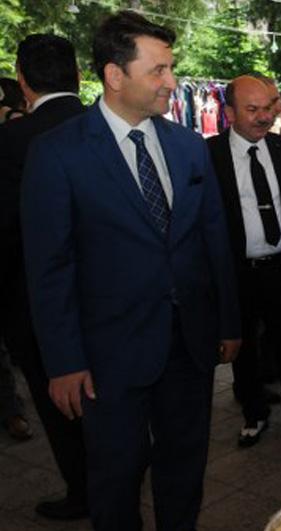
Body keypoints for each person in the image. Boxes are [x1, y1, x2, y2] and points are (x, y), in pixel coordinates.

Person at [20, 12, 241, 530]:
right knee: (115, 478)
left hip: (187, 346)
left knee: (184, 469)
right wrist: (63, 361)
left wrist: (228, 322)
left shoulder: (188, 146)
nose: (171, 82)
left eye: (171, 69)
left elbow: (213, 240)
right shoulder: (57, 153)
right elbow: (49, 266)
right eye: (158, 71)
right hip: (107, 356)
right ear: (115, 76)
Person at [0, 33, 89, 521]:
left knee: (60, 409)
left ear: (22, 80)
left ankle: (83, 490)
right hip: (105, 299)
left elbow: (9, 230)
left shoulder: (12, 140)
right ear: (78, 75)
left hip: (34, 302)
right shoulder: (106, 126)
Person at [207, 76, 281, 447]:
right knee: (245, 347)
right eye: (251, 110)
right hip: (239, 269)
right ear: (228, 113)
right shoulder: (210, 156)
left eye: (266, 109)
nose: (262, 118)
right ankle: (254, 414)